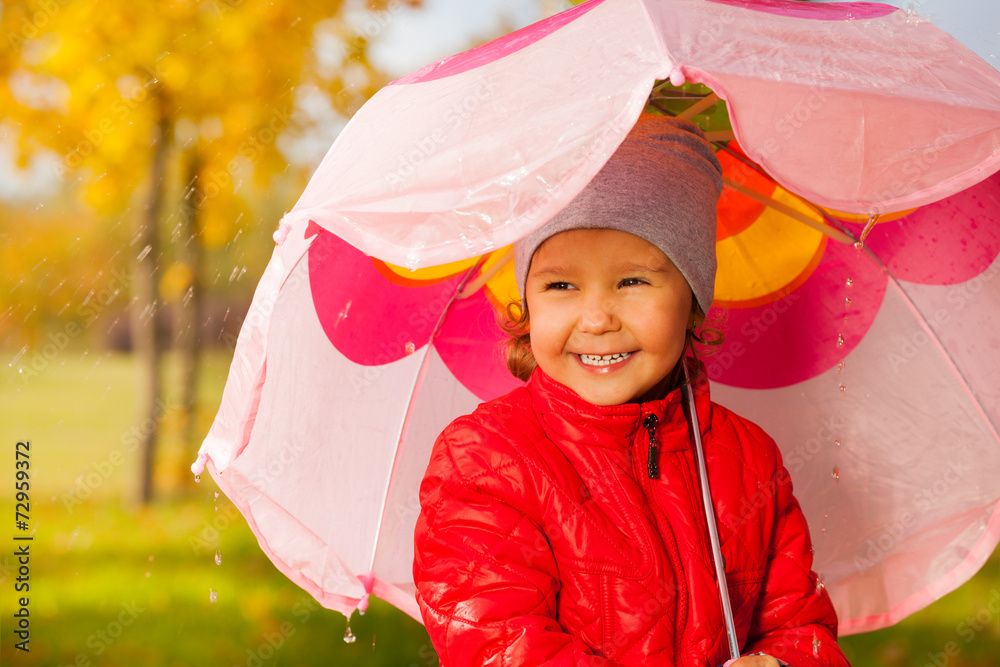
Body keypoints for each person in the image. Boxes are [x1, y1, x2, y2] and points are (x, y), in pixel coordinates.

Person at [413, 114, 850, 667]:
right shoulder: (486, 458)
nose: (596, 318)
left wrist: (782, 662)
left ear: (692, 300)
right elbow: (497, 641)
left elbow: (803, 626)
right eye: (561, 285)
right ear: (526, 306)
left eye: (633, 281)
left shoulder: (749, 458)